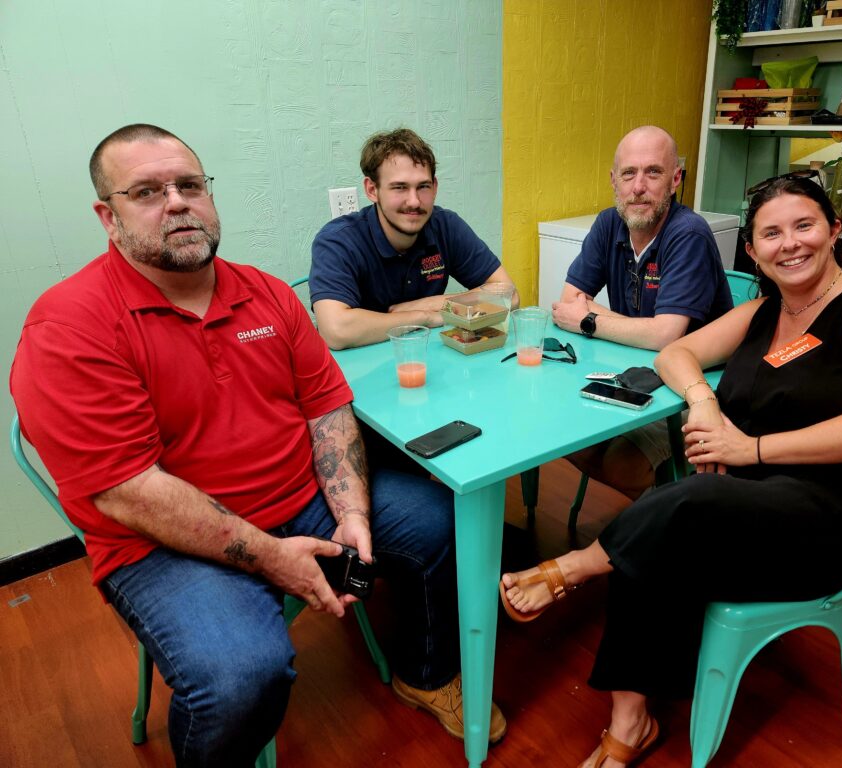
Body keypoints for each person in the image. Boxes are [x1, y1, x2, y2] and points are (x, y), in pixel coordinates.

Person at [10, 124, 506, 767]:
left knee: (442, 522)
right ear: (108, 216)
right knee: (242, 679)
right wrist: (274, 557)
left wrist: (352, 512)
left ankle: (426, 672)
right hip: (161, 545)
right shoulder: (67, 325)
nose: (177, 203)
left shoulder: (266, 292)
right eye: (147, 192)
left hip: (302, 500)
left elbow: (327, 409)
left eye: (190, 185)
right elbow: (129, 492)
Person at [501, 172, 842, 767]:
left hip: (835, 512)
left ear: (835, 228)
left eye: (804, 225)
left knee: (678, 508)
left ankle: (575, 567)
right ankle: (632, 718)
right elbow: (673, 353)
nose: (791, 244)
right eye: (771, 233)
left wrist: (744, 450)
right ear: (751, 250)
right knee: (663, 528)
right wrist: (706, 402)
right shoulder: (765, 312)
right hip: (752, 498)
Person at [551, 125, 733, 500]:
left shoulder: (688, 234)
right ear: (613, 181)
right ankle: (657, 508)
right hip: (633, 369)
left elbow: (666, 336)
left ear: (675, 179)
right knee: (553, 432)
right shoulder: (608, 224)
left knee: (622, 466)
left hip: (693, 385)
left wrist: (590, 319)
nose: (638, 187)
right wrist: (638, 329)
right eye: (628, 174)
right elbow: (570, 299)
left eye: (653, 172)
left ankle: (663, 508)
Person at [310, 127, 517, 349]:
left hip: (427, 358)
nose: (415, 201)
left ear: (435, 187)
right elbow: (337, 331)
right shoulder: (337, 240)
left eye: (423, 187)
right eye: (399, 187)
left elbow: (509, 295)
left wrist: (432, 304)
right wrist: (425, 317)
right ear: (372, 190)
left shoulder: (446, 225)